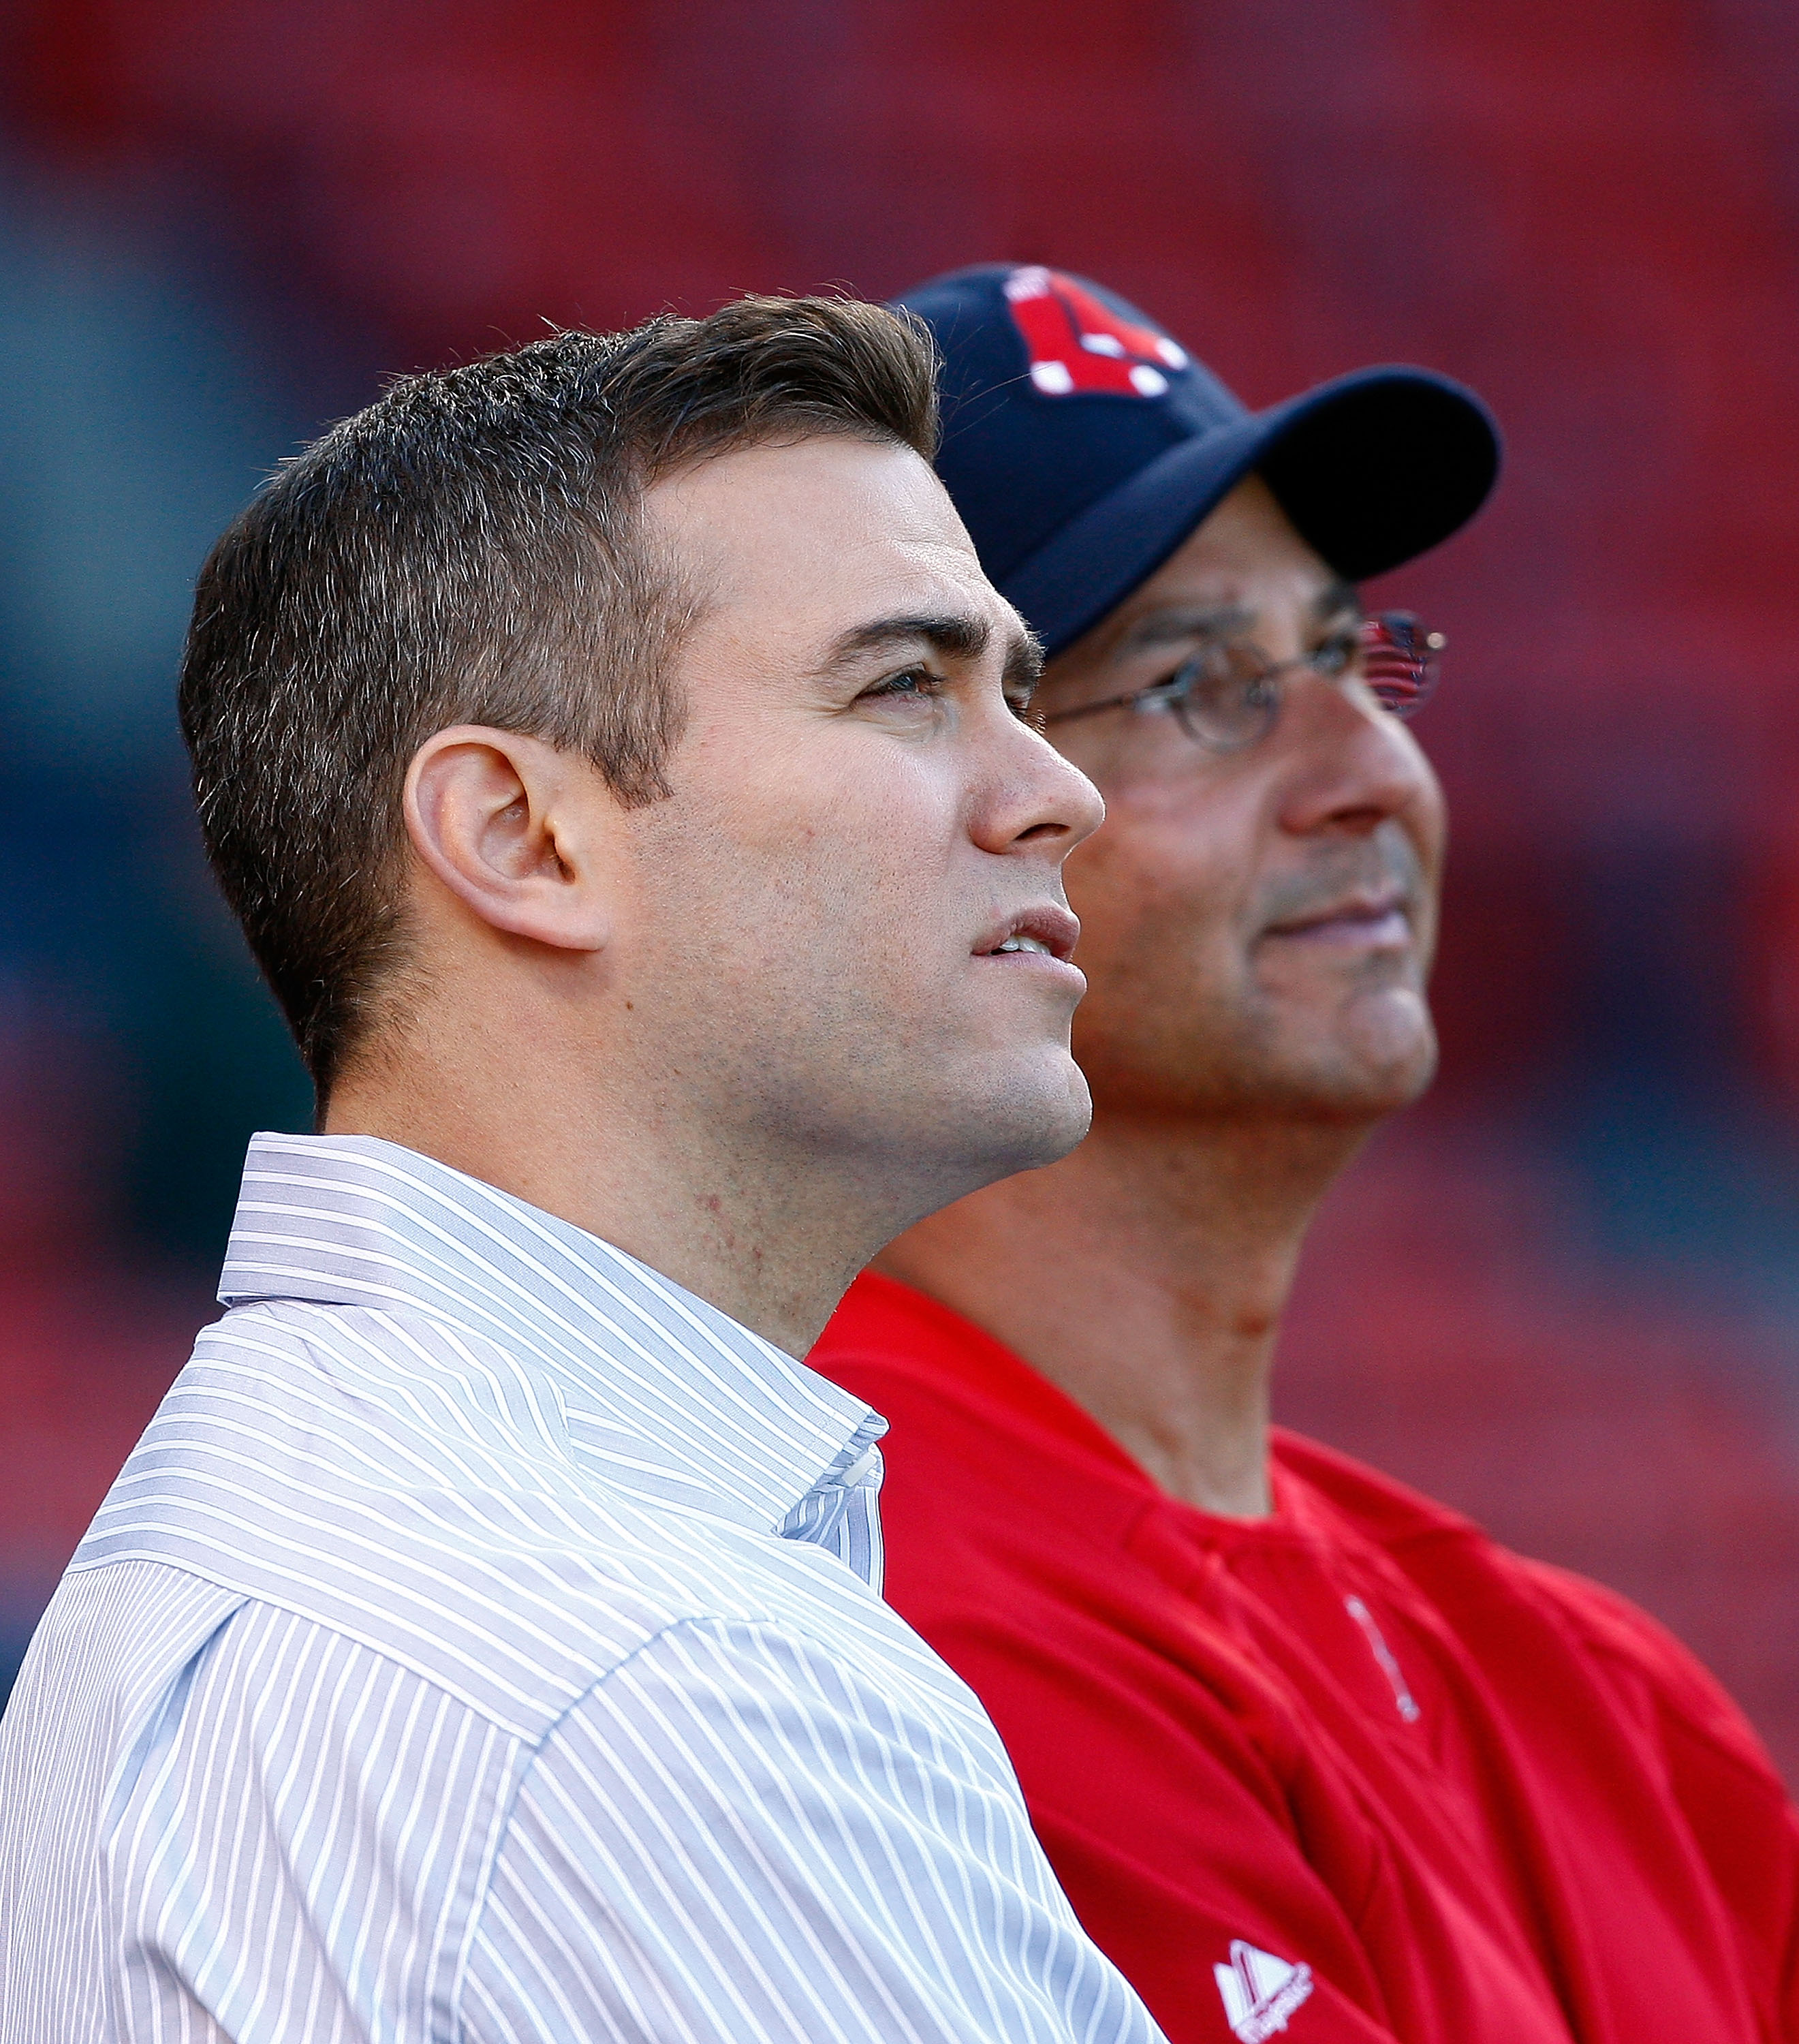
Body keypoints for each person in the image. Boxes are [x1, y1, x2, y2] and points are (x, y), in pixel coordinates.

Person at [0, 296, 1172, 2044]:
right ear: (521, 839)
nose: (1056, 788)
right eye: (907, 686)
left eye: (1025, 689)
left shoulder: (347, 1520)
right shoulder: (643, 1675)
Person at [811, 266, 1799, 2044]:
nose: (1374, 768)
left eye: (1348, 656)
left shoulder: (1599, 1697)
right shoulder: (858, 1630)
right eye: (1200, 686)